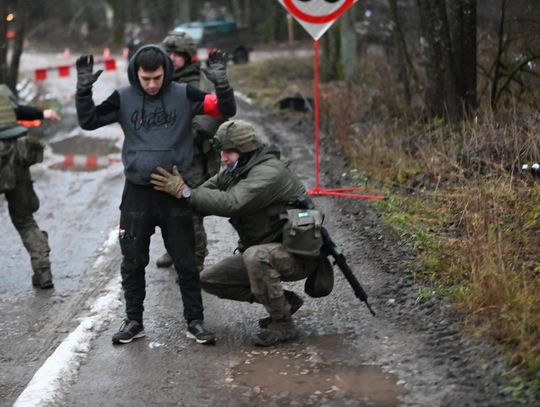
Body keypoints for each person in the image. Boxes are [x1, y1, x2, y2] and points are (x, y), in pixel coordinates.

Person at [75, 45, 236, 345]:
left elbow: (224, 110)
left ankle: (195, 321)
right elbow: (89, 121)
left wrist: (223, 85)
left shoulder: (184, 94)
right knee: (133, 261)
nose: (151, 85)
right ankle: (134, 321)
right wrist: (83, 91)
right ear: (136, 73)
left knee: (186, 262)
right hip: (137, 193)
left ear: (166, 72)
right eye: (146, 78)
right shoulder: (123, 97)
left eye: (157, 78)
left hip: (174, 191)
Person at [150, 120, 328, 346]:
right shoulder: (238, 169)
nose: (223, 158)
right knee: (210, 279)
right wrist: (180, 199)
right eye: (221, 152)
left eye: (228, 152)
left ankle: (283, 324)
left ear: (246, 151)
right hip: (268, 249)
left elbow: (232, 203)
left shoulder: (268, 173)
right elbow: (204, 193)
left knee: (255, 256)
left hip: (296, 254)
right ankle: (284, 302)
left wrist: (185, 192)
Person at [155, 31, 224, 271]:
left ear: (187, 56)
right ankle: (174, 249)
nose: (172, 58)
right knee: (166, 209)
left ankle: (195, 259)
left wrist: (188, 131)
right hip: (166, 156)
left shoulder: (200, 81)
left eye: (178, 54)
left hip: (193, 157)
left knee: (189, 209)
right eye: (169, 53)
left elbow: (214, 115)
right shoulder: (160, 81)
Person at [0, 84, 60, 289]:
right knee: (24, 219)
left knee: (24, 217)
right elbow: (19, 111)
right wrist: (43, 113)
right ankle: (43, 270)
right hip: (15, 153)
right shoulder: (2, 91)